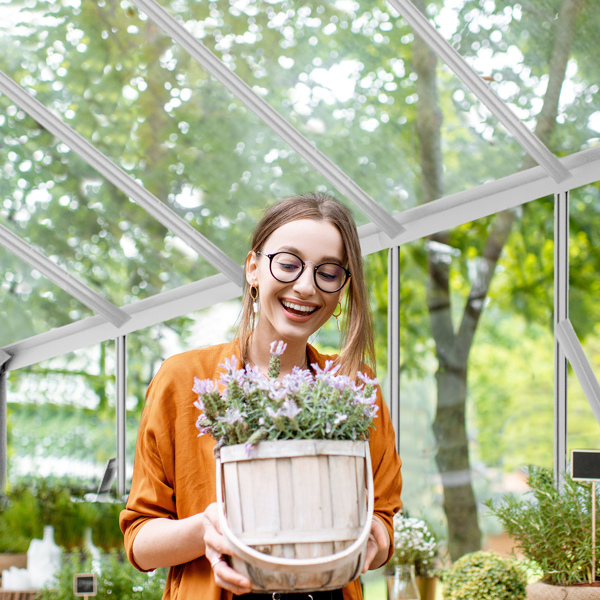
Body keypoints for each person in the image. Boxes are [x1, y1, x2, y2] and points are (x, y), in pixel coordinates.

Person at [120, 193, 402, 600]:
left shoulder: (356, 386)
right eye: (288, 264)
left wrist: (373, 540)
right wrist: (206, 529)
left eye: (328, 272)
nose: (305, 287)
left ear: (343, 287)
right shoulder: (183, 380)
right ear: (253, 268)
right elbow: (140, 541)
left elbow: (383, 520)